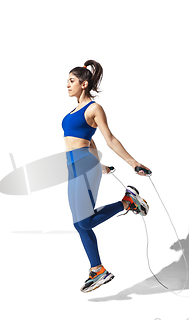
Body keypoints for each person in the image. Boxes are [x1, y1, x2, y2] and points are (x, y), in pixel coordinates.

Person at [63, 60, 150, 293]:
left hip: (83, 167)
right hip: (76, 168)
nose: (67, 85)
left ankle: (128, 202)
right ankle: (97, 269)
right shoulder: (73, 111)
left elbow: (109, 139)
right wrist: (100, 164)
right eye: (67, 81)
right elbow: (89, 141)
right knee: (80, 223)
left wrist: (133, 163)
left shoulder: (94, 108)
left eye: (71, 81)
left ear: (84, 83)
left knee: (83, 222)